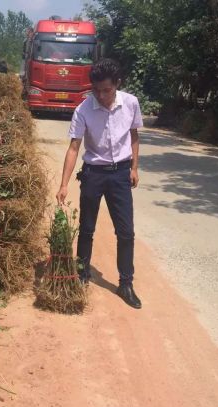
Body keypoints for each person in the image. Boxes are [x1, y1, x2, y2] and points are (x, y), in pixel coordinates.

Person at [55, 58, 144, 309]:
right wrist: (64, 184)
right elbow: (74, 147)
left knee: (126, 232)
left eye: (107, 90)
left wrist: (135, 167)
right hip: (93, 174)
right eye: (97, 90)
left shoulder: (130, 103)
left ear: (117, 84)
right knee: (86, 228)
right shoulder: (83, 109)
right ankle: (82, 275)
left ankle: (126, 283)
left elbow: (134, 135)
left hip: (120, 175)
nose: (102, 95)